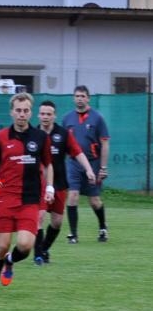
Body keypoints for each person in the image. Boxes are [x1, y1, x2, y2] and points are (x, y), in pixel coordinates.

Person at [0, 92, 54, 301]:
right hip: (5, 198)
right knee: (2, 245)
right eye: (18, 110)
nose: (22, 114)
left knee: (25, 245)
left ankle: (10, 261)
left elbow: (48, 164)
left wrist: (49, 187)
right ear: (12, 112)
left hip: (30, 200)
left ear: (31, 113)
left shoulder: (40, 138)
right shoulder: (1, 137)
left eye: (26, 110)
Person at [34, 100, 96, 264]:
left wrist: (89, 169)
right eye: (42, 114)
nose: (45, 117)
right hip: (37, 184)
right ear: (38, 115)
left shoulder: (63, 134)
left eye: (49, 114)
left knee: (57, 222)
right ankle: (38, 255)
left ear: (54, 116)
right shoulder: (32, 134)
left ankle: (45, 248)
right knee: (38, 218)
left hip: (59, 184)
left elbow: (78, 153)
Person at [62, 85, 110, 243]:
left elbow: (105, 143)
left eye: (83, 96)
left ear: (88, 98)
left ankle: (103, 227)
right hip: (73, 163)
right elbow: (62, 143)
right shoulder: (67, 118)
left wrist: (103, 167)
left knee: (94, 200)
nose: (80, 99)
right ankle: (73, 234)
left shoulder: (97, 118)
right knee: (73, 195)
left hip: (93, 163)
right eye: (77, 96)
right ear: (73, 98)